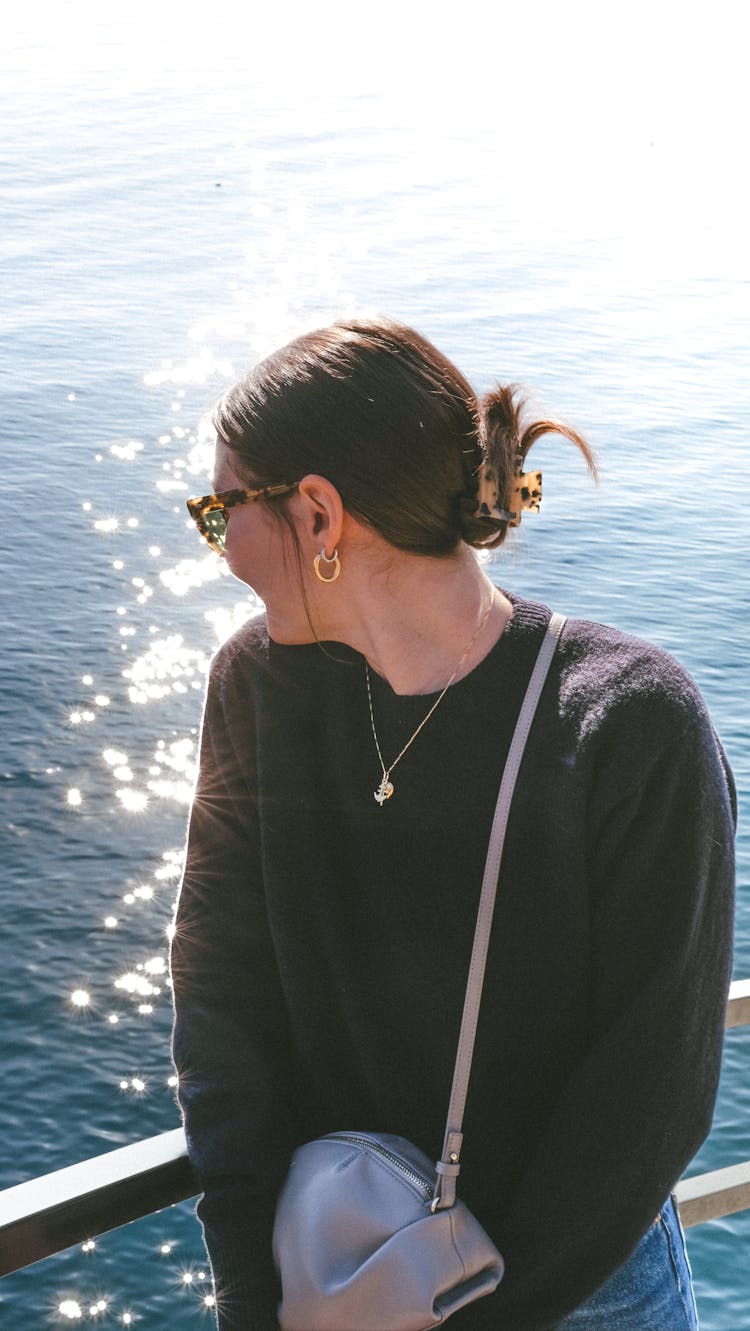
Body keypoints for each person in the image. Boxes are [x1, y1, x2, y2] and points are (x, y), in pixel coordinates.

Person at [170, 316, 735, 1331]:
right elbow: (221, 1010)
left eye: (220, 513)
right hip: (336, 1274)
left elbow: (651, 1092)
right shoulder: (253, 688)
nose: (218, 547)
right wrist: (253, 1298)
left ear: (318, 516)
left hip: (580, 1295)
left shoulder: (630, 721)